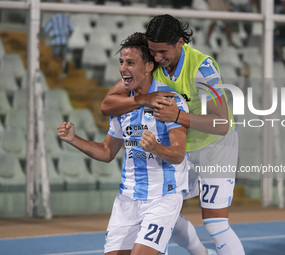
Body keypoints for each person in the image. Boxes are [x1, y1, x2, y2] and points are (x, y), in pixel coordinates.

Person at [101, 14, 245, 255]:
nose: (157, 58)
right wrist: (143, 99)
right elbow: (107, 105)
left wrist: (176, 116)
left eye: (162, 52)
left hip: (216, 146)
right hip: (182, 148)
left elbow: (221, 122)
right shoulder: (154, 64)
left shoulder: (203, 68)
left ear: (180, 42)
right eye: (152, 51)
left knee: (215, 223)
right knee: (168, 213)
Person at [58, 32, 190, 255]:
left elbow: (178, 154)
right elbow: (107, 151)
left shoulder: (169, 100)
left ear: (149, 66)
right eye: (121, 62)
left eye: (130, 62)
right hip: (127, 199)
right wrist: (73, 140)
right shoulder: (123, 106)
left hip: (162, 197)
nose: (123, 68)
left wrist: (155, 147)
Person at [43, 12, 73, 76]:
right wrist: (68, 36)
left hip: (56, 40)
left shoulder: (52, 19)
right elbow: (71, 29)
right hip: (65, 40)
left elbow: (46, 29)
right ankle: (63, 68)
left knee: (55, 56)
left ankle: (60, 69)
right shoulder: (66, 19)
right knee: (62, 56)